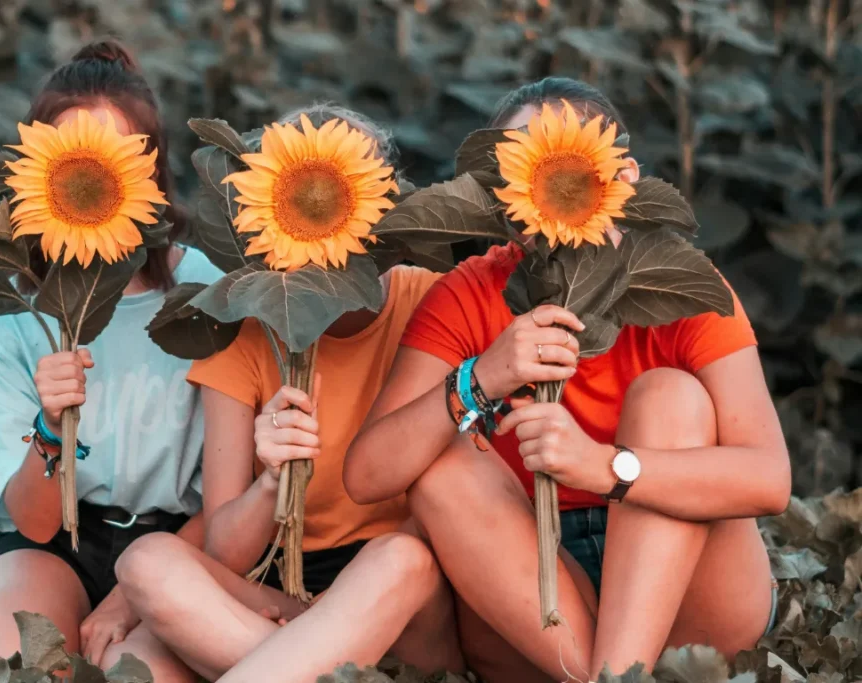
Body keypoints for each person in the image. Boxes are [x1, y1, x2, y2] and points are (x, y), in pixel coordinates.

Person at [344, 77, 791, 682]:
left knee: (670, 395)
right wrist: (483, 377)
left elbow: (769, 479)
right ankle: (612, 676)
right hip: (538, 585)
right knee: (441, 459)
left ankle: (608, 673)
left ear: (623, 178)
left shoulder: (678, 284)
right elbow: (368, 474)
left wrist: (602, 467)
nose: (542, 189)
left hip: (696, 589)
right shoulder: (472, 291)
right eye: (517, 171)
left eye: (561, 165)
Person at [114, 105, 464, 683]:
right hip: (277, 590)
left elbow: (465, 496)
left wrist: (338, 614)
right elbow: (225, 550)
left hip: (402, 596)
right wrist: (271, 482)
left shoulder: (432, 301)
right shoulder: (245, 332)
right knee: (145, 562)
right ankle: (311, 664)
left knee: (401, 561)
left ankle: (294, 659)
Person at [0, 40, 221, 682]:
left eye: (115, 159)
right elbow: (32, 518)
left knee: (136, 675)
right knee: (8, 668)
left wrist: (124, 598)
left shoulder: (203, 293)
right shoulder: (5, 309)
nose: (90, 177)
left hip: (174, 548)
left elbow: (226, 499)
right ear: (36, 169)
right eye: (73, 161)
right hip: (48, 547)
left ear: (149, 171)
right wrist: (52, 426)